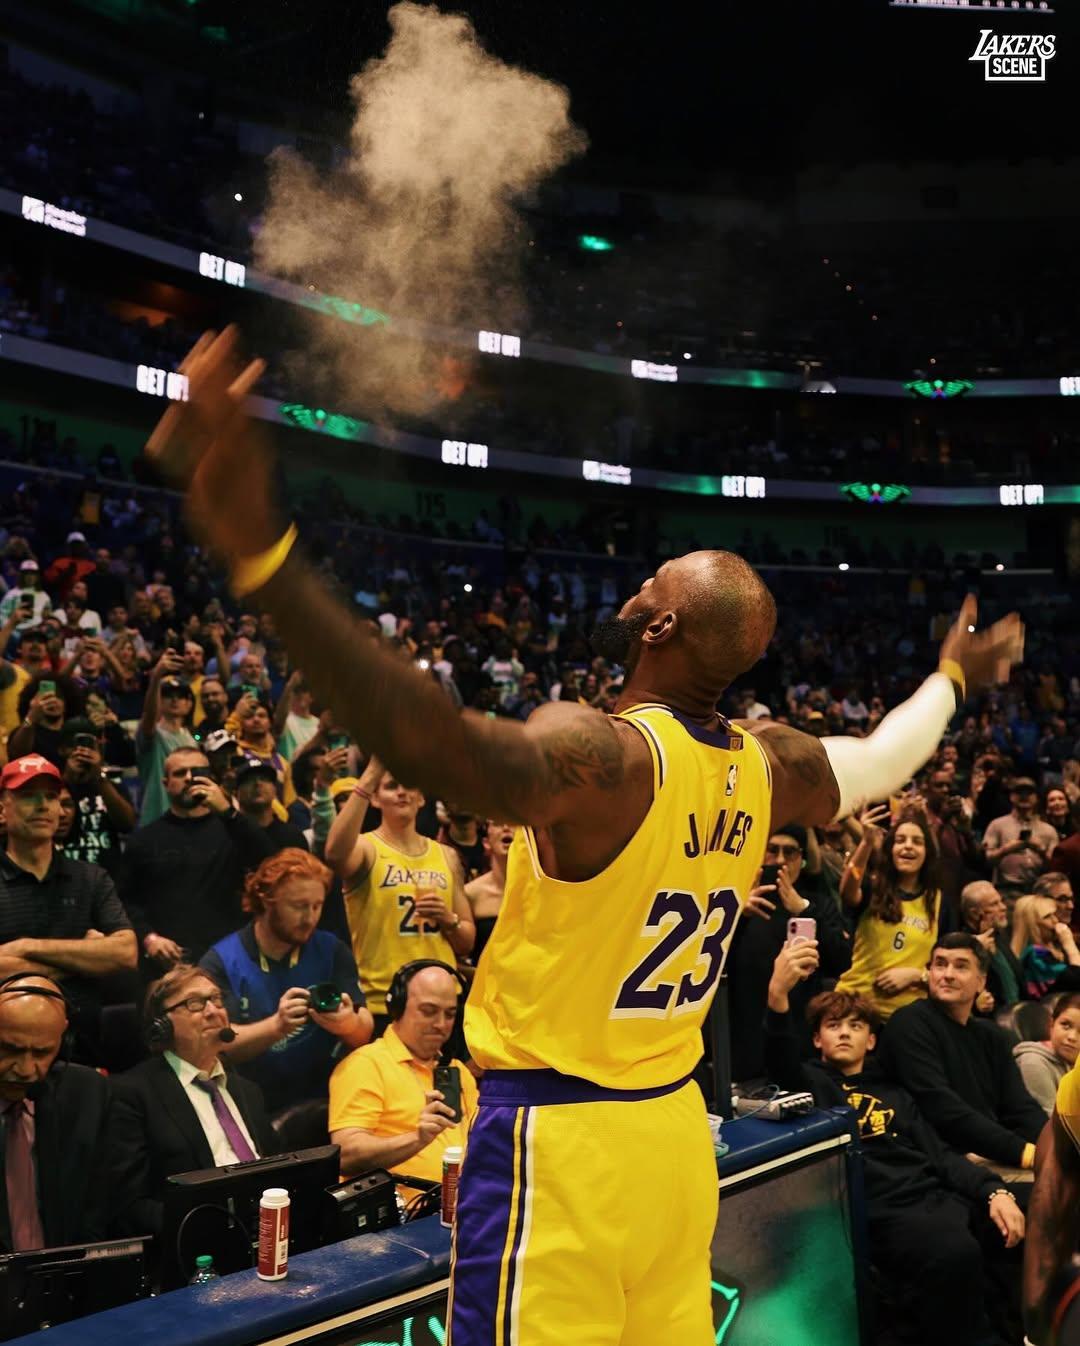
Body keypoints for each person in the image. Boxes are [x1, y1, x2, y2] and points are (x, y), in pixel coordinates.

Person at [147, 325, 1022, 1345]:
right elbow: (885, 753)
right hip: (674, 1134)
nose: (636, 585)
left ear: (660, 626)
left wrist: (264, 554)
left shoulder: (604, 756)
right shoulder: (770, 763)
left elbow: (433, 743)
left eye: (654, 580)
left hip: (559, 1143)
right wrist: (952, 677)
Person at [766, 946, 1024, 1346]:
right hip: (880, 1207)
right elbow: (780, 1055)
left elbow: (940, 1154)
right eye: (834, 1026)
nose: (845, 1032)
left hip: (932, 1193)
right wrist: (778, 996)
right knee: (954, 1251)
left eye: (855, 1026)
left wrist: (994, 1190)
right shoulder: (811, 1086)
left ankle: (1014, 1330)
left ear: (871, 1040)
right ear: (817, 1039)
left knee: (1017, 1217)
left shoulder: (894, 1090)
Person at [107, 964, 279, 1237]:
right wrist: (206, 1229)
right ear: (161, 1025)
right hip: (197, 1242)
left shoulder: (248, 1092)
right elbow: (131, 1206)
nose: (213, 1011)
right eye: (195, 1003)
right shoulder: (133, 1094)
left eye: (216, 999)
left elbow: (279, 1172)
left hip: (269, 1231)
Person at [200, 849, 372, 1113]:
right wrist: (277, 1027)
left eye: (317, 906)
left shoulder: (331, 950)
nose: (310, 918)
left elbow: (364, 1030)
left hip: (327, 1102)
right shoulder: (222, 961)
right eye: (299, 906)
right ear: (267, 900)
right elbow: (217, 1045)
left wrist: (346, 1024)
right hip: (253, 1107)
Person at [0, 754, 137, 1061]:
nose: (43, 805)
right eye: (28, 796)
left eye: (51, 796)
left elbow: (125, 952)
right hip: (6, 1053)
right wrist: (84, 958)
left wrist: (25, 948)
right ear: (2, 810)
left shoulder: (91, 878)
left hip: (83, 1052)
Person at [325, 758, 475, 1036]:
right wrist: (370, 776)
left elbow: (467, 941)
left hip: (442, 1000)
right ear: (375, 799)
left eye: (409, 785)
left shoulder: (447, 855)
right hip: (386, 1000)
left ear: (421, 798)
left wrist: (448, 919)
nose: (402, 792)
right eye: (392, 786)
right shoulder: (365, 848)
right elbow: (334, 853)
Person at [880, 933, 1047, 1172]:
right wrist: (1026, 1153)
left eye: (961, 966)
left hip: (991, 1153)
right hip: (940, 1163)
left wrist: (1056, 1147)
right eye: (940, 964)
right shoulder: (908, 1024)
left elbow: (1021, 1108)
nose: (947, 974)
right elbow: (942, 1109)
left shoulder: (991, 1035)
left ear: (981, 982)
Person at [328, 960, 477, 1196]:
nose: (441, 1024)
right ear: (397, 1007)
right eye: (428, 1011)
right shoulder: (365, 1065)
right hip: (403, 1213)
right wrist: (417, 1139)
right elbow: (346, 1156)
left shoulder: (457, 1069)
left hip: (465, 1205)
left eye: (450, 1014)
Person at [119, 746, 275, 967]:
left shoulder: (233, 828)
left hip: (229, 959)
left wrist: (227, 811)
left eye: (197, 771)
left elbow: (269, 863)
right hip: (169, 960)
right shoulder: (144, 839)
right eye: (180, 773)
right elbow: (126, 900)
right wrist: (148, 938)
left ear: (211, 779)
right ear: (165, 783)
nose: (189, 778)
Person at [0, 973, 111, 1250]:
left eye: (41, 1053)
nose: (26, 1070)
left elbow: (98, 1214)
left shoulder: (88, 1094)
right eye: (10, 1049)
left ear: (64, 1039)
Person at [836, 808, 943, 1023]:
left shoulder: (938, 901)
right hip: (857, 1009)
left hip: (909, 1017)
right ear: (891, 849)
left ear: (927, 853)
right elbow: (848, 891)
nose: (908, 846)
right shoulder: (874, 889)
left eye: (917, 842)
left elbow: (944, 963)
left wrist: (916, 975)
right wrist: (866, 843)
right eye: (900, 840)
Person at [56, 716, 135, 875]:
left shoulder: (111, 785)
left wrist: (98, 777)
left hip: (107, 878)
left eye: (88, 745)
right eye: (74, 745)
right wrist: (68, 778)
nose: (82, 751)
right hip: (65, 877)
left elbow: (127, 824)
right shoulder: (53, 787)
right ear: (62, 749)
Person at [136, 653, 196, 822]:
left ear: (189, 704)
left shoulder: (192, 740)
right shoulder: (153, 733)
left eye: (180, 696)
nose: (174, 700)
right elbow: (149, 715)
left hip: (187, 821)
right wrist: (156, 677)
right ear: (159, 701)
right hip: (156, 818)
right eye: (168, 695)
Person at [983, 778, 1058, 906]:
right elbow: (986, 860)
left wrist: (1040, 850)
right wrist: (1006, 850)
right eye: (1019, 792)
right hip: (1006, 892)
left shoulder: (1048, 830)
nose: (1024, 796)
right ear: (1011, 796)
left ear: (1036, 798)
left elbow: (1056, 866)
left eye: (1029, 793)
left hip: (1038, 892)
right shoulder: (997, 825)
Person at [960, 880, 1024, 1009]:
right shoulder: (963, 945)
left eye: (1001, 901)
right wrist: (977, 950)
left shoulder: (999, 936)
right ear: (975, 913)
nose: (1003, 907)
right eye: (994, 904)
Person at [1014, 992, 1080, 1115]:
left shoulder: (1075, 1063)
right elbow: (1048, 1120)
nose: (1072, 1037)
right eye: (1066, 1025)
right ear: (1051, 1024)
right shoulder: (1033, 1062)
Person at [464, 821, 515, 966]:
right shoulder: (470, 893)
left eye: (514, 823)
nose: (506, 827)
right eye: (497, 823)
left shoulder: (540, 891)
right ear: (486, 843)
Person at [1010, 894, 1080, 1000]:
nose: (1055, 920)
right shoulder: (1035, 954)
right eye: (1047, 917)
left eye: (1054, 914)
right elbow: (1077, 978)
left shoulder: (1054, 946)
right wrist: (1069, 944)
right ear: (1032, 924)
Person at [235, 756, 309, 852]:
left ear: (274, 789)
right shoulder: (230, 837)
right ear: (236, 792)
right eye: (249, 779)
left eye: (264, 778)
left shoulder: (293, 836)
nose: (258, 783)